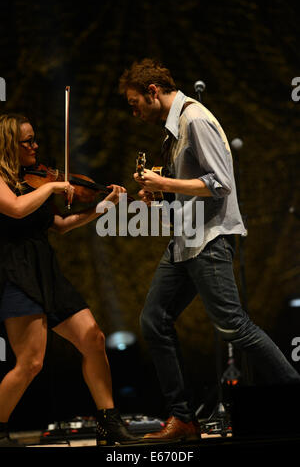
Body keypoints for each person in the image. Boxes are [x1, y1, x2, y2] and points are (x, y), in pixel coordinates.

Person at [119, 58, 300, 442]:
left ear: (153, 92)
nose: (133, 112)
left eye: (135, 103)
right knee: (154, 320)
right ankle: (184, 419)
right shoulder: (173, 130)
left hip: (209, 240)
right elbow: (189, 192)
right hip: (185, 241)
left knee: (236, 327)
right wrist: (160, 196)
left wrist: (163, 180)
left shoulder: (194, 119)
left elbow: (220, 184)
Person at [0, 113, 140, 447]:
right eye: (28, 141)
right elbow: (16, 209)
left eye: (34, 139)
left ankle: (109, 423)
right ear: (8, 144)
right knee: (31, 363)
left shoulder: (35, 177)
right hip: (14, 270)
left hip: (45, 267)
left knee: (93, 338)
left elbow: (60, 226)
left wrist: (102, 206)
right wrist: (51, 185)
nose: (35, 146)